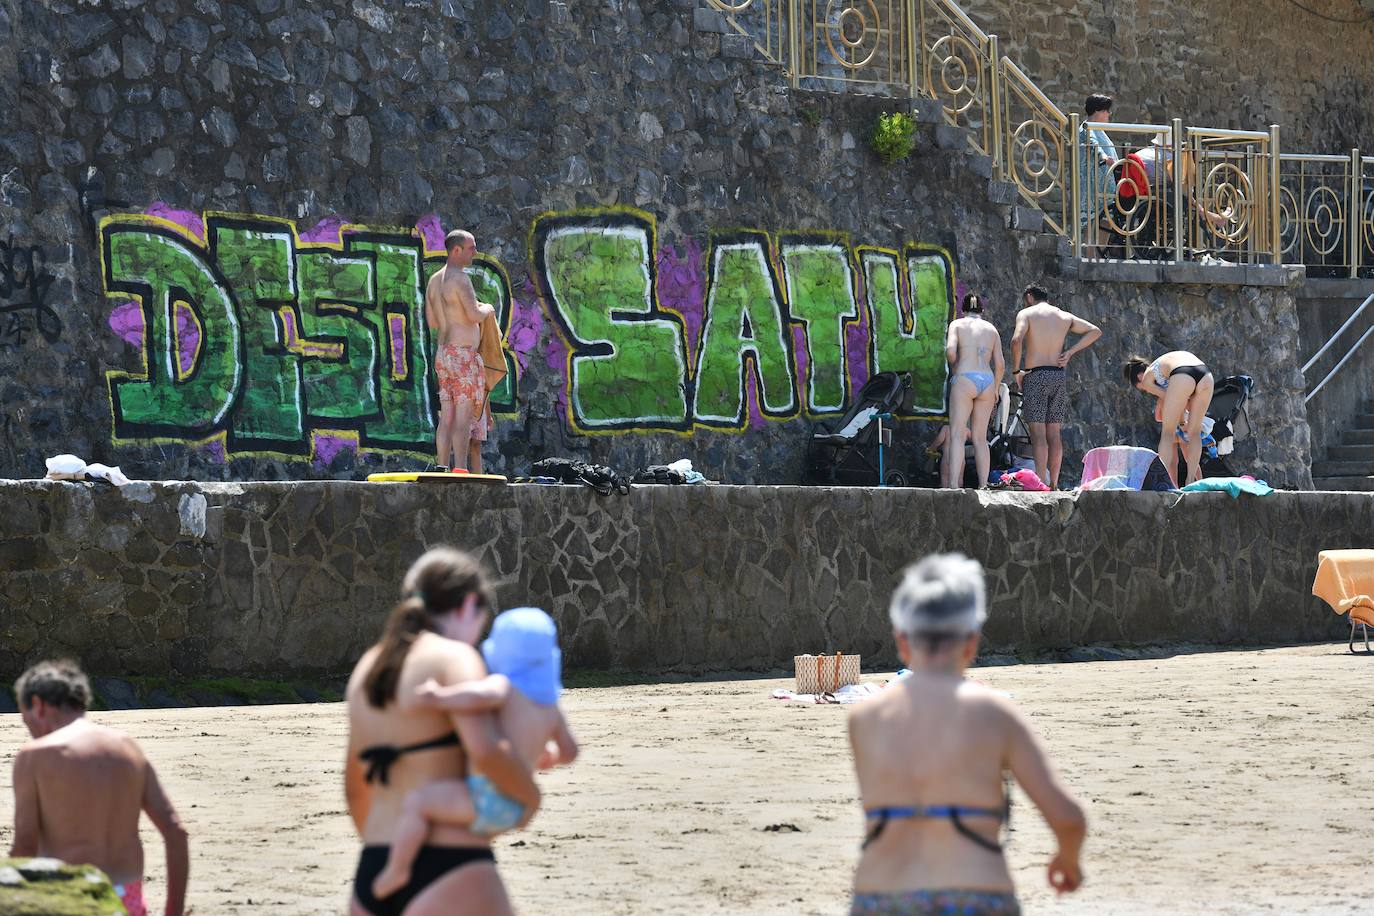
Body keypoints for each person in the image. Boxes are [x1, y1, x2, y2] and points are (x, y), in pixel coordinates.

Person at [848, 554, 1087, 916]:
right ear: (971, 643)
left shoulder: (864, 718)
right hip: (977, 895)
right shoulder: (995, 714)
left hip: (882, 896)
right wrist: (1068, 862)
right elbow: (1068, 819)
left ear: (902, 642)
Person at [345, 548, 541, 916]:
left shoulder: (369, 668)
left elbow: (356, 787)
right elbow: (484, 750)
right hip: (452, 866)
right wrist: (529, 798)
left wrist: (384, 847)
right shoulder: (455, 658)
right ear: (469, 605)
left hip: (373, 868)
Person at [370, 607, 577, 901]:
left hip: (485, 797)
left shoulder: (503, 687)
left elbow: (478, 696)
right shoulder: (551, 708)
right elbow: (569, 752)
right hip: (517, 806)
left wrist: (439, 696)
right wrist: (549, 755)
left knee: (418, 803)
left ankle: (398, 869)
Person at [9, 659, 189, 916]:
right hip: (126, 901)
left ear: (37, 705)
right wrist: (174, 912)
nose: (31, 732)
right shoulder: (128, 747)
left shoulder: (35, 755)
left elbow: (25, 848)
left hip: (67, 899)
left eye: (25, 719)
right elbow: (176, 832)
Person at [1009, 285, 1102, 489]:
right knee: (1054, 433)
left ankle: (1041, 482)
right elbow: (1095, 331)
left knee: (1038, 433)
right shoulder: (1064, 316)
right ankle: (1055, 483)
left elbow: (1016, 340)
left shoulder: (1027, 313)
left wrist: (1017, 371)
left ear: (1030, 297)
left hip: (1036, 375)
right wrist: (1070, 352)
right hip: (1058, 376)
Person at [426, 230, 497, 471]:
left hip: (443, 354)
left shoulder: (434, 280)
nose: (474, 252)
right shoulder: (461, 278)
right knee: (463, 417)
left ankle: (442, 466)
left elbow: (432, 322)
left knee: (446, 416)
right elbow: (474, 315)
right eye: (470, 248)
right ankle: (460, 468)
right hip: (463, 354)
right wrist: (487, 308)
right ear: (456, 250)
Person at [1122, 351, 1215, 486]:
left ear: (1139, 377)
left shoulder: (1148, 378)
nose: (1145, 391)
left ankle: (1161, 482)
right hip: (1205, 374)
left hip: (1183, 375)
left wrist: (1182, 422)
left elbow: (1169, 398)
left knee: (1167, 433)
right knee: (1194, 432)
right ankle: (1191, 482)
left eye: (1140, 388)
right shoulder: (1164, 364)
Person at [943, 294, 1005, 489]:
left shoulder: (957, 325)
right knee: (980, 438)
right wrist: (995, 388)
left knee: (957, 434)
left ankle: (954, 484)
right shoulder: (992, 329)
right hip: (986, 380)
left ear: (963, 310)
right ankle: (984, 484)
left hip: (964, 377)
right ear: (982, 311)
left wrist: (955, 369)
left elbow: (951, 351)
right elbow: (1000, 364)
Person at [1078, 94, 1118, 259]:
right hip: (1093, 184)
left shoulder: (1098, 129)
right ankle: (1091, 256)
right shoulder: (1087, 127)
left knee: (1106, 220)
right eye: (1107, 111)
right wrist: (1103, 156)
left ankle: (1098, 254)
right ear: (1098, 111)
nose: (1109, 114)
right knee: (1092, 222)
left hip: (1103, 184)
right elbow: (1093, 143)